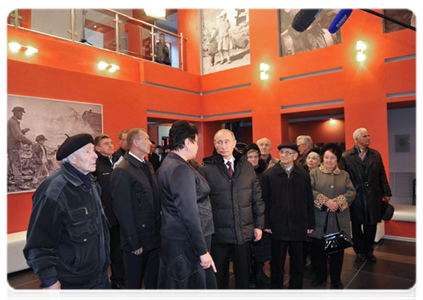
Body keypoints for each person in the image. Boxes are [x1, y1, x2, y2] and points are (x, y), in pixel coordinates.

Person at [23, 133, 112, 300]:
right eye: (88, 152)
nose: (95, 155)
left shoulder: (90, 183)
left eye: (94, 150)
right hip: (72, 283)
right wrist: (49, 281)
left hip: (99, 277)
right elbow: (39, 244)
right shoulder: (53, 191)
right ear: (71, 159)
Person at [157, 120, 219, 300]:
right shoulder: (180, 169)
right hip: (187, 243)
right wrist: (202, 251)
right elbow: (189, 214)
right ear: (187, 142)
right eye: (196, 141)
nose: (198, 146)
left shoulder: (168, 163)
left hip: (176, 238)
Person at [201, 129, 264, 300]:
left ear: (235, 143)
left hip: (243, 231)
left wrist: (259, 225)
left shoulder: (247, 166)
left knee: (243, 275)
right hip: (218, 234)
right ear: (214, 144)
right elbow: (201, 202)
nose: (223, 146)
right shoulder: (206, 168)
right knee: (218, 276)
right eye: (219, 142)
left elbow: (256, 198)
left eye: (226, 141)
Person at [110, 128, 161, 300]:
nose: (150, 143)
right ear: (136, 143)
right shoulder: (122, 170)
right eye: (147, 139)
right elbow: (122, 209)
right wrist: (133, 241)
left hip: (153, 236)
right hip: (136, 241)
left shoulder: (147, 165)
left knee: (153, 283)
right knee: (134, 286)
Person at [261, 142, 315, 300]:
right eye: (282, 152)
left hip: (299, 225)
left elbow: (308, 201)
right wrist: (266, 223)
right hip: (277, 225)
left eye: (288, 153)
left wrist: (310, 223)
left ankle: (296, 290)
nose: (284, 155)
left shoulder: (303, 175)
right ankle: (276, 290)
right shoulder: (269, 175)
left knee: (298, 263)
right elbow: (264, 201)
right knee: (277, 263)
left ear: (295, 156)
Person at [339, 128, 392, 262]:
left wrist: (387, 192)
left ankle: (369, 250)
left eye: (368, 135)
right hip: (355, 196)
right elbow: (342, 178)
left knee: (371, 224)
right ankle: (359, 250)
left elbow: (382, 174)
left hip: (373, 194)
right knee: (356, 225)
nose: (368, 138)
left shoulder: (375, 155)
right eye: (365, 136)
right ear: (357, 139)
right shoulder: (346, 156)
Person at [309, 143, 356, 290]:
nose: (329, 160)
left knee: (337, 252)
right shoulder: (314, 173)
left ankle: (336, 279)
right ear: (322, 159)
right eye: (327, 157)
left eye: (333, 158)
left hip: (337, 220)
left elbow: (352, 193)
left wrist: (336, 202)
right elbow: (309, 191)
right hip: (319, 219)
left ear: (337, 160)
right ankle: (320, 276)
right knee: (319, 252)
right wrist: (325, 202)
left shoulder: (344, 175)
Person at [93, 134, 126, 293]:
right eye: (106, 144)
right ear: (97, 148)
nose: (111, 145)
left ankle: (120, 279)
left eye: (111, 142)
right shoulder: (95, 165)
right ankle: (109, 282)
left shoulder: (119, 161)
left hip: (120, 214)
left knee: (119, 250)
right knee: (107, 252)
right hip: (105, 217)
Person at [243, 143, 271, 287]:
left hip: (261, 215)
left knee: (261, 248)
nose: (253, 159)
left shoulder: (264, 174)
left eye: (255, 156)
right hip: (246, 216)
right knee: (247, 249)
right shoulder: (241, 173)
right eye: (250, 157)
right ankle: (248, 275)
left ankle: (259, 272)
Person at [5, 106, 33, 189]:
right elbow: (17, 136)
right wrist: (30, 142)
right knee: (17, 165)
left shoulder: (12, 121)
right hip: (13, 147)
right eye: (21, 113)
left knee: (10, 164)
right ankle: (20, 184)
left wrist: (23, 131)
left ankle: (5, 180)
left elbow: (15, 134)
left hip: (10, 147)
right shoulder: (13, 122)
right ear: (16, 113)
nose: (22, 115)